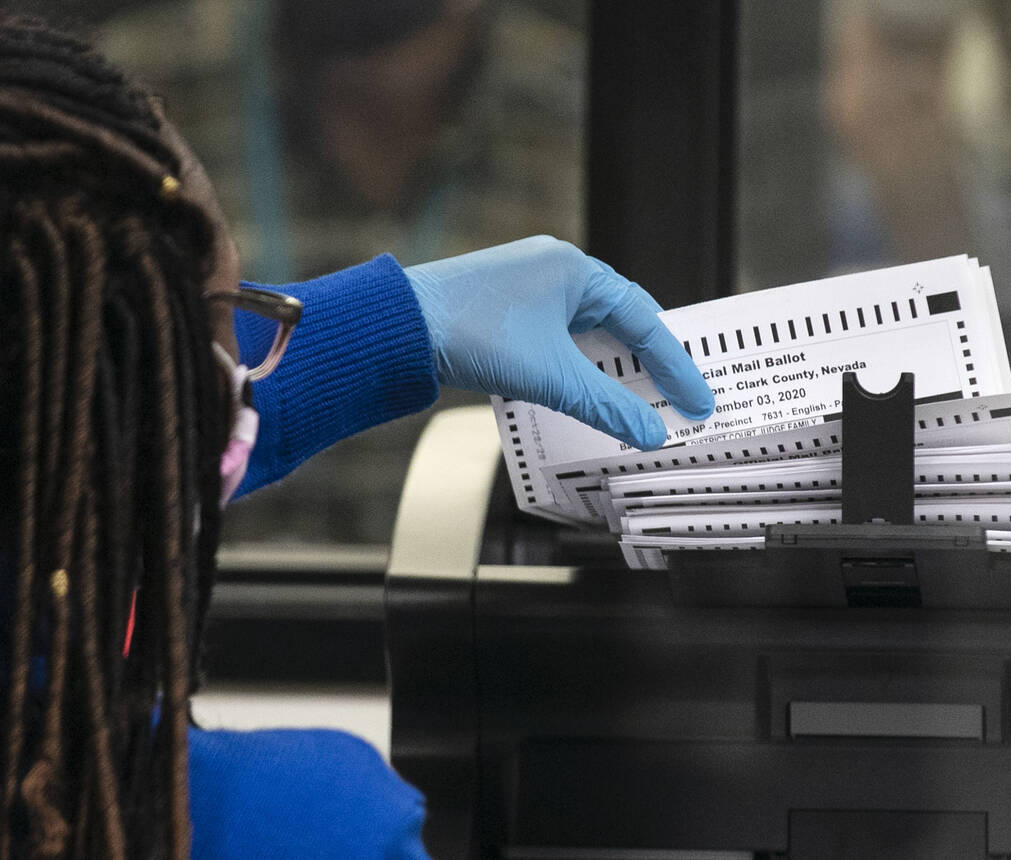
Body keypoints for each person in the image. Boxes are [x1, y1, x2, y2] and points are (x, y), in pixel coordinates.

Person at [0, 16, 713, 859]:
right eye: (229, 325)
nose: (222, 400)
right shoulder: (299, 826)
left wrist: (400, 320)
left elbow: (74, 405)